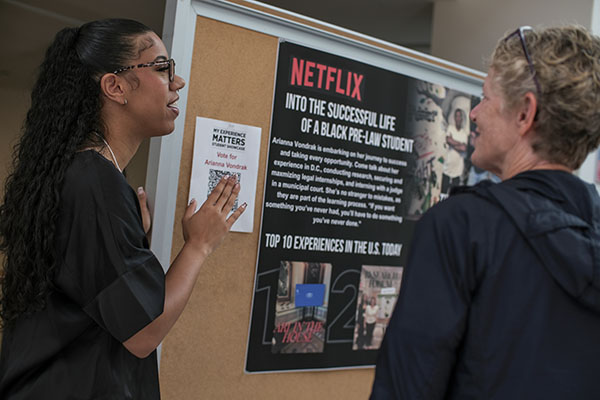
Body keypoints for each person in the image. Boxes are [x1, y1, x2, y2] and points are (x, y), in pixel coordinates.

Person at [0, 19, 245, 399]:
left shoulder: (86, 175)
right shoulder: (94, 183)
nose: (176, 83)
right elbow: (143, 333)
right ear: (115, 87)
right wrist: (199, 245)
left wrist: (128, 238)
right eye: (162, 68)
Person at [371, 25, 600, 399]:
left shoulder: (462, 228)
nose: (474, 113)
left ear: (525, 113)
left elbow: (406, 388)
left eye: (485, 98)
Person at [441, 108, 469, 193]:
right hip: (447, 169)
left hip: (457, 171)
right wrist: (460, 144)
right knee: (443, 195)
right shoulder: (450, 128)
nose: (458, 118)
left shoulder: (464, 134)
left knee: (453, 198)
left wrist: (453, 142)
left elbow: (464, 148)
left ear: (462, 118)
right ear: (454, 118)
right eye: (456, 116)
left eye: (459, 116)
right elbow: (448, 140)